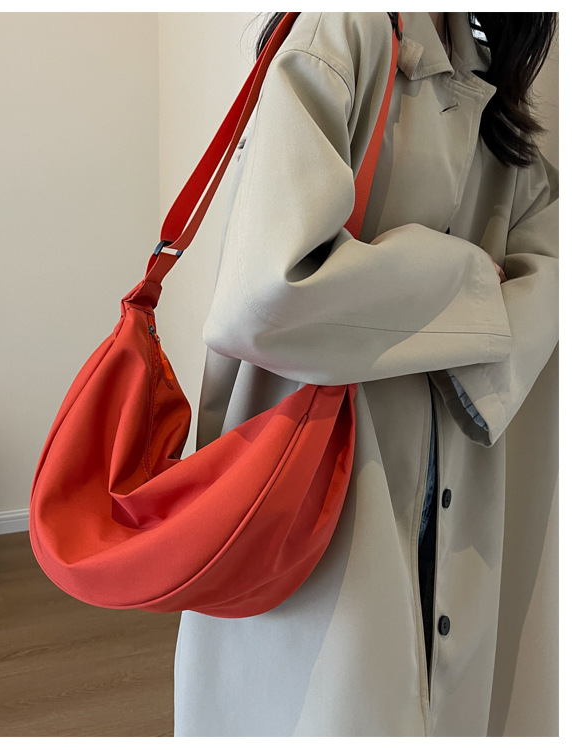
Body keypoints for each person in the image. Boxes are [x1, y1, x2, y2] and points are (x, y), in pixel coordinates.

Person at [173, 12, 558, 737]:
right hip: (320, 474)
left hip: (450, 472)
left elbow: (550, 267)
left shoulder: (487, 76)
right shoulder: (343, 29)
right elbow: (265, 294)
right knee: (323, 700)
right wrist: (470, 283)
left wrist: (449, 317)